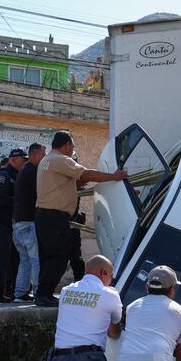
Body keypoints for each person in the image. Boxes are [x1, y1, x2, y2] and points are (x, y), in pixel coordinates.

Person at [34, 131, 127, 307]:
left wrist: (75, 184)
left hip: (44, 216)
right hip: (54, 217)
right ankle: (44, 294)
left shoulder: (47, 160)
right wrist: (114, 177)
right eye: (72, 147)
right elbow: (86, 174)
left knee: (48, 257)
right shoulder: (61, 159)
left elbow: (59, 184)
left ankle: (42, 294)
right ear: (67, 145)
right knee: (59, 256)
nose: (72, 151)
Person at [0, 148, 27, 303]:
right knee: (0, 260)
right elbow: (1, 199)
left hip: (13, 225)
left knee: (15, 260)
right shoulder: (3, 175)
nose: (25, 163)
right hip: (1, 224)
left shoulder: (18, 175)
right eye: (23, 160)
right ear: (13, 159)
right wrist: (22, 203)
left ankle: (12, 291)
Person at [12, 143, 45, 301]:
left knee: (24, 260)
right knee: (35, 259)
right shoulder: (33, 170)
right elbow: (42, 191)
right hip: (28, 223)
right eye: (43, 155)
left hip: (18, 223)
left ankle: (20, 293)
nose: (44, 159)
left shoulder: (23, 170)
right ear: (35, 155)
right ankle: (39, 292)